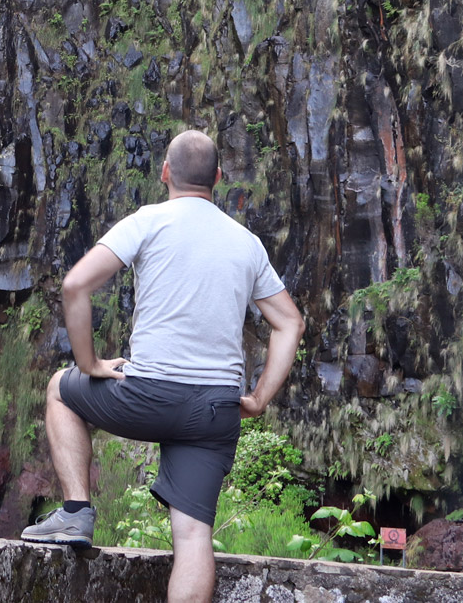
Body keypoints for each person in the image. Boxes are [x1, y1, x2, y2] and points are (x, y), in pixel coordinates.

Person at [21, 129, 304, 603]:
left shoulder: (147, 221)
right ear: (217, 176)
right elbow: (289, 323)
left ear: (165, 173)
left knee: (58, 388)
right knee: (194, 537)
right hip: (215, 409)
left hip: (147, 395)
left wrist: (89, 363)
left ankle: (75, 512)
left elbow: (75, 286)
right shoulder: (246, 242)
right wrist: (256, 398)